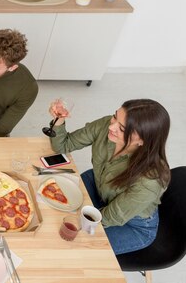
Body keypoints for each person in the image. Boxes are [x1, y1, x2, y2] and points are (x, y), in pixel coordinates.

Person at [50, 99, 171, 255]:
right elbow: (63, 146)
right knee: (53, 202)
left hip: (130, 224)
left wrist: (79, 222)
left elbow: (113, 216)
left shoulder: (150, 179)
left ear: (142, 140)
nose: (111, 126)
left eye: (122, 128)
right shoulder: (108, 125)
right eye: (115, 116)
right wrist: (59, 120)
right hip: (99, 187)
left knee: (76, 248)